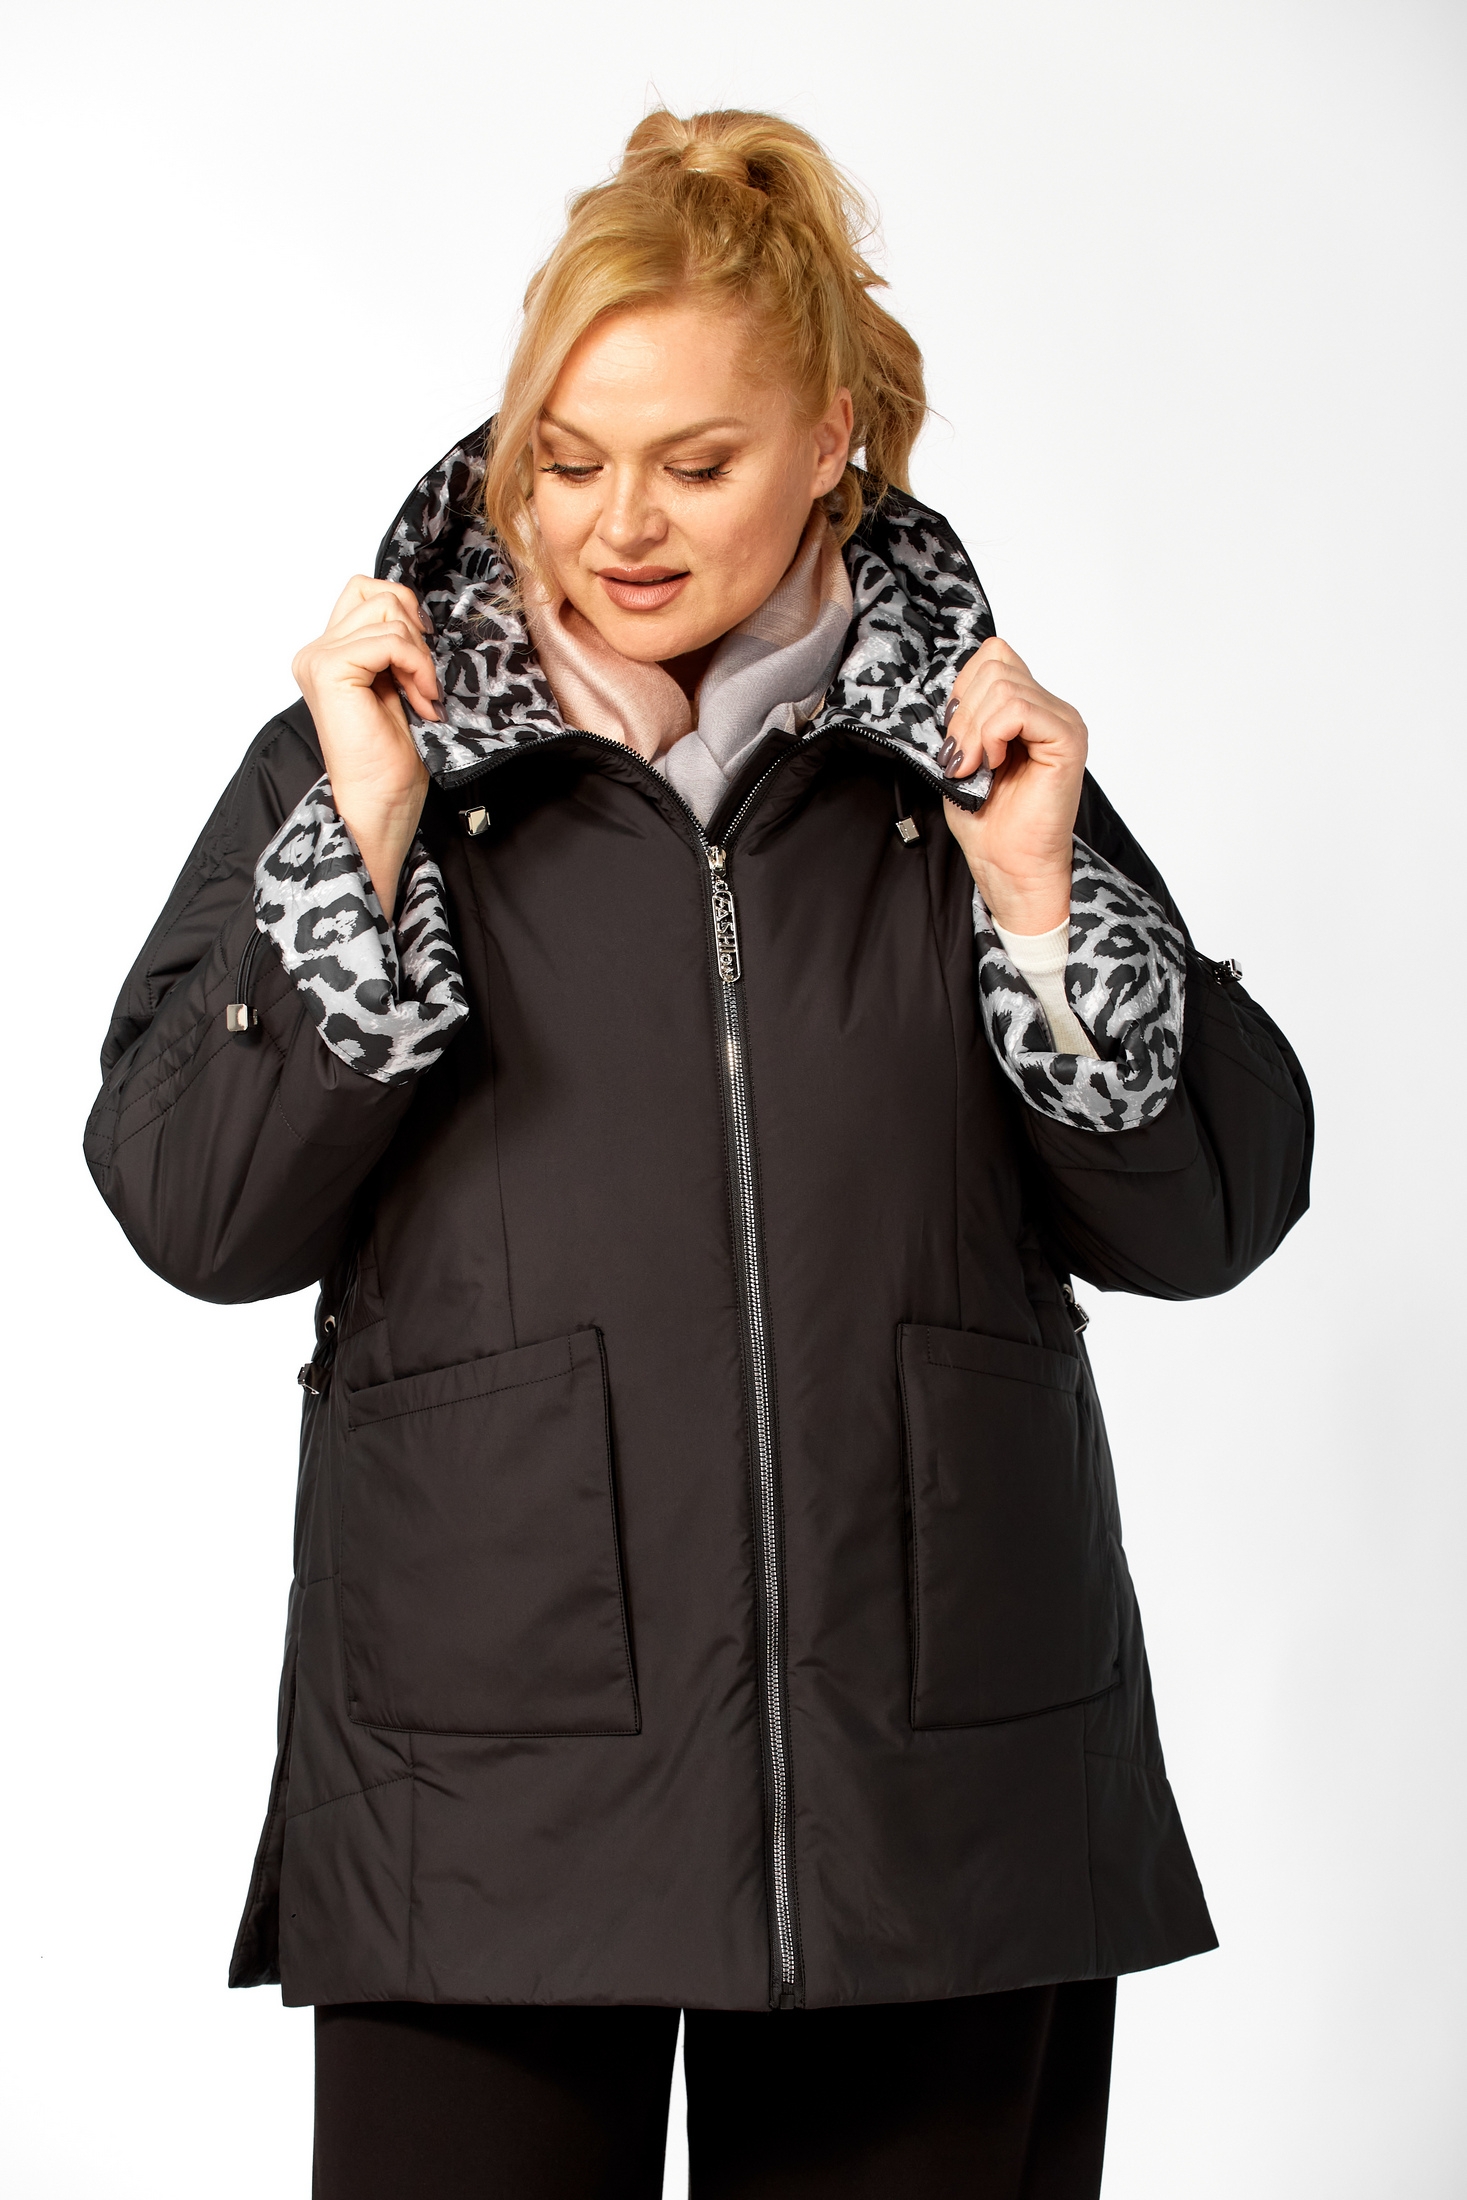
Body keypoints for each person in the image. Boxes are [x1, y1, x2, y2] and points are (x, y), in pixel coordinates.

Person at [85, 107, 1312, 2200]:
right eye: (564, 461)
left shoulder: (966, 762)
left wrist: (1040, 905)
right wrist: (359, 839)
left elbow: (1203, 1216)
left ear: (827, 440)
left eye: (695, 462)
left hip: (933, 1783)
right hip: (484, 1777)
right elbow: (193, 1210)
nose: (619, 526)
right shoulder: (376, 754)